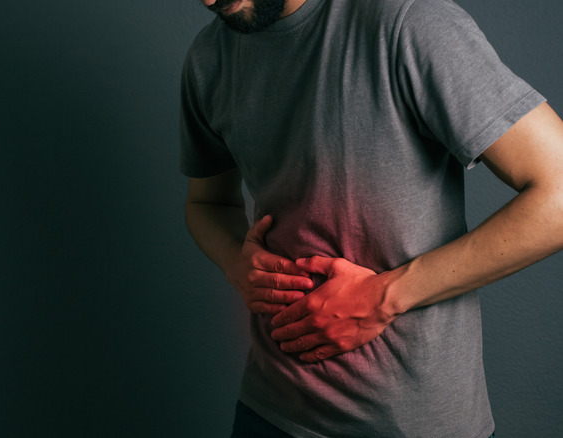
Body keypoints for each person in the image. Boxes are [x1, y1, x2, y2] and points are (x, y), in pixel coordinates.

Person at [179, 0, 563, 436]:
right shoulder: (208, 58)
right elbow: (208, 204)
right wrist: (236, 262)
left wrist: (385, 296)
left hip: (410, 422)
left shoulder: (409, 22)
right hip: (271, 412)